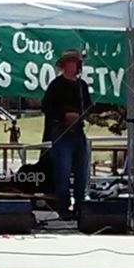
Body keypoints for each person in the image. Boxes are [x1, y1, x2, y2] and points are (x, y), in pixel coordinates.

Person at [41, 48, 92, 220]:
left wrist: (81, 115)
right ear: (65, 65)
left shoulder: (81, 85)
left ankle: (80, 205)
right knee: (62, 170)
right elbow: (46, 107)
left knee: (81, 170)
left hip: (78, 131)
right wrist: (64, 116)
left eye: (76, 63)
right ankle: (63, 207)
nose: (74, 65)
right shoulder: (56, 85)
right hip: (61, 131)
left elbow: (88, 106)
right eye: (71, 62)